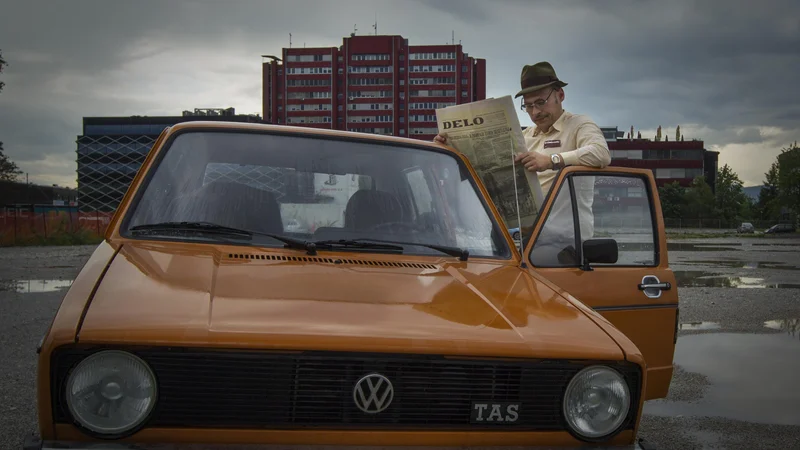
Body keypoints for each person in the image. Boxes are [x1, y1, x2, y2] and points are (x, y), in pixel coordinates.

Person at [434, 61, 610, 264]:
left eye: (541, 102)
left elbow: (601, 154)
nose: (535, 112)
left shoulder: (580, 125)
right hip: (517, 240)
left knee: (514, 271)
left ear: (560, 95)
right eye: (528, 105)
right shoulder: (523, 137)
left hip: (564, 244)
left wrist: (552, 161)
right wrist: (450, 150)